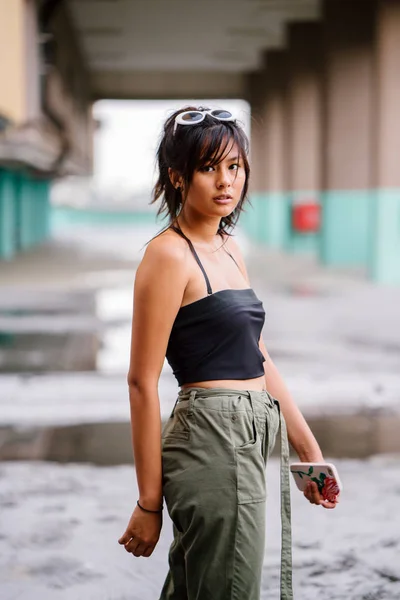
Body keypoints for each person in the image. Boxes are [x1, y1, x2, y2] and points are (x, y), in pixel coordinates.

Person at [118, 106, 339, 600]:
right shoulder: (168, 256)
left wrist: (308, 453)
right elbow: (140, 381)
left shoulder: (229, 247)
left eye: (234, 167)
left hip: (250, 433)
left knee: (202, 587)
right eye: (209, 167)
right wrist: (149, 503)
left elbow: (258, 355)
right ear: (177, 176)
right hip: (211, 439)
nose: (225, 181)